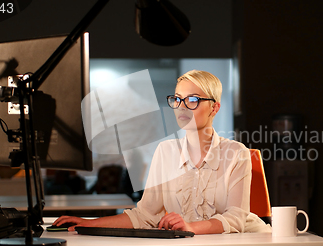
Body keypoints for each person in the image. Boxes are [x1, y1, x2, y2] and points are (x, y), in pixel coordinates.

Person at [53, 70, 270, 234]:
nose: (182, 107)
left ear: (214, 107)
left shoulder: (236, 152)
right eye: (177, 99)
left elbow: (235, 219)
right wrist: (86, 223)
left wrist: (190, 227)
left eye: (192, 100)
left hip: (243, 245)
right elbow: (145, 215)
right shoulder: (166, 151)